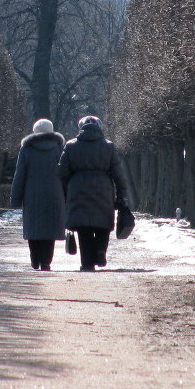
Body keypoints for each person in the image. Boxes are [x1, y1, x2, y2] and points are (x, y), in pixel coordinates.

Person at [58, 115, 129, 272]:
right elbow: (118, 174)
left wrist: (67, 190)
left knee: (84, 228)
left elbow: (62, 172)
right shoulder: (108, 146)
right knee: (103, 224)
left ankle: (87, 263)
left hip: (78, 188)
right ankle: (100, 251)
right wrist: (121, 194)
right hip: (103, 188)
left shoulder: (71, 146)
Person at [10, 118, 66, 270]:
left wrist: (16, 198)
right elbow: (65, 173)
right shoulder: (59, 148)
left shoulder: (27, 149)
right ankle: (46, 261)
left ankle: (35, 259)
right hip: (55, 193)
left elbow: (19, 174)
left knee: (33, 228)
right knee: (50, 228)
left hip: (32, 193)